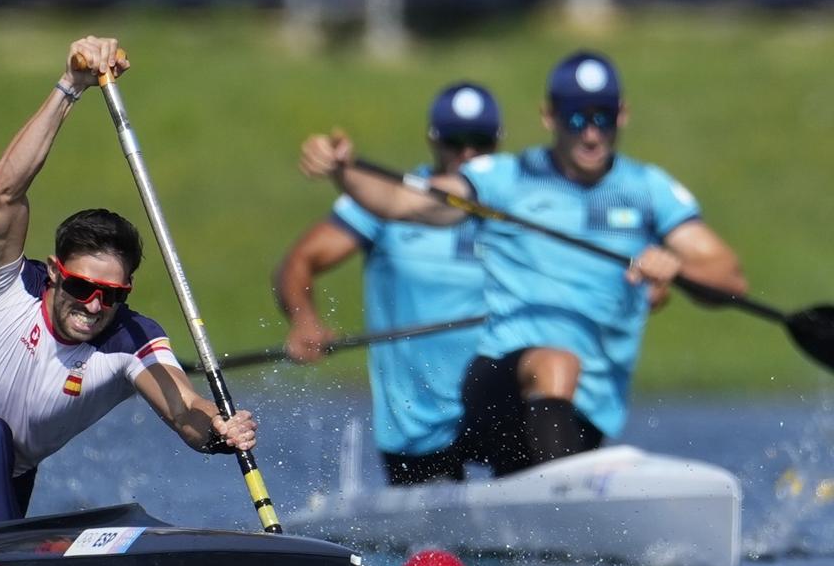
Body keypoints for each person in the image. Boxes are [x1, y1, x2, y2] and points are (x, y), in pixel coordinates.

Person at [0, 37, 257, 526]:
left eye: (111, 295)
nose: (93, 306)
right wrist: (70, 86)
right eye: (80, 286)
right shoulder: (1, 283)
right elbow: (5, 190)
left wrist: (217, 430)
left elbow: (183, 409)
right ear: (53, 271)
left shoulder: (132, 341)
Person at [299, 50, 747, 477]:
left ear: (622, 115)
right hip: (500, 388)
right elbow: (404, 202)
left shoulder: (649, 190)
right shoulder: (507, 178)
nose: (591, 134)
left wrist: (679, 270)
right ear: (549, 117)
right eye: (576, 118)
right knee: (557, 363)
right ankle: (568, 506)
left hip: (591, 406)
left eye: (602, 118)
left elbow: (729, 277)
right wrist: (344, 171)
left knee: (557, 401)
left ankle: (542, 509)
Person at [275, 82, 501, 485]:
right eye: (456, 142)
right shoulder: (387, 199)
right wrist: (304, 320)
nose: (467, 155)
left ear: (497, 142)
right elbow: (299, 262)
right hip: (418, 429)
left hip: (495, 412)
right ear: (434, 141)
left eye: (479, 143)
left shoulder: (513, 200)